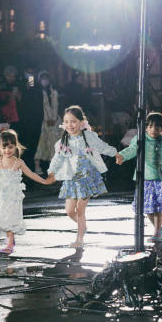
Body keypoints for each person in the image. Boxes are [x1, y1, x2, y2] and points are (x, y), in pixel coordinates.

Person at [46, 105, 119, 248]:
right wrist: (51, 171)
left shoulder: (89, 136)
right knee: (69, 211)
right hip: (71, 179)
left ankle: (79, 239)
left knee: (80, 210)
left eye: (73, 121)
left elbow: (102, 146)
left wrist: (116, 153)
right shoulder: (62, 142)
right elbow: (57, 158)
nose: (70, 125)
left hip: (87, 177)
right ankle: (83, 226)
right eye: (66, 122)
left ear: (81, 122)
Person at [0, 129, 50, 255]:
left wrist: (44, 181)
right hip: (0, 197)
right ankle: (10, 240)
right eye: (4, 147)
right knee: (1, 217)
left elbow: (31, 174)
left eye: (10, 147)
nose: (7, 150)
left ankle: (9, 243)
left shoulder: (18, 162)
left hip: (13, 196)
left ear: (15, 146)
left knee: (11, 217)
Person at [116, 112, 162, 244]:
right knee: (147, 208)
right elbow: (132, 150)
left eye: (158, 127)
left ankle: (156, 231)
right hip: (144, 177)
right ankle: (159, 229)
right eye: (151, 127)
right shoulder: (140, 139)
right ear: (146, 127)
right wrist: (122, 155)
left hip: (159, 178)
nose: (154, 130)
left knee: (156, 207)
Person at [33, 71, 60, 173]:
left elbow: (56, 105)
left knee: (54, 144)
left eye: (47, 79)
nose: (45, 81)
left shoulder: (53, 91)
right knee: (41, 144)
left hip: (55, 122)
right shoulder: (37, 92)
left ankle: (53, 167)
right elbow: (41, 108)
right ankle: (37, 167)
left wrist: (53, 119)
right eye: (43, 79)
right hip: (43, 122)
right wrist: (47, 119)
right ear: (39, 80)